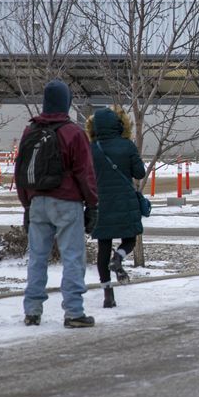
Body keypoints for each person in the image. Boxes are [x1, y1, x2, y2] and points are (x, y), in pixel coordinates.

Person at [17, 80, 98, 328]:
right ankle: (73, 312)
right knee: (72, 256)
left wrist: (27, 205)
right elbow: (85, 172)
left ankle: (32, 310)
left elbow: (20, 170)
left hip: (37, 201)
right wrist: (92, 204)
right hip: (66, 202)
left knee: (37, 258)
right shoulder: (73, 132)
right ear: (67, 102)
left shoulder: (30, 131)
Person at [86, 106, 146, 309]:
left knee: (103, 247)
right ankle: (118, 258)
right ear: (118, 124)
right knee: (129, 238)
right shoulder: (126, 145)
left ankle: (107, 295)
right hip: (125, 202)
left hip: (100, 204)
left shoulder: (91, 148)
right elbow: (139, 173)